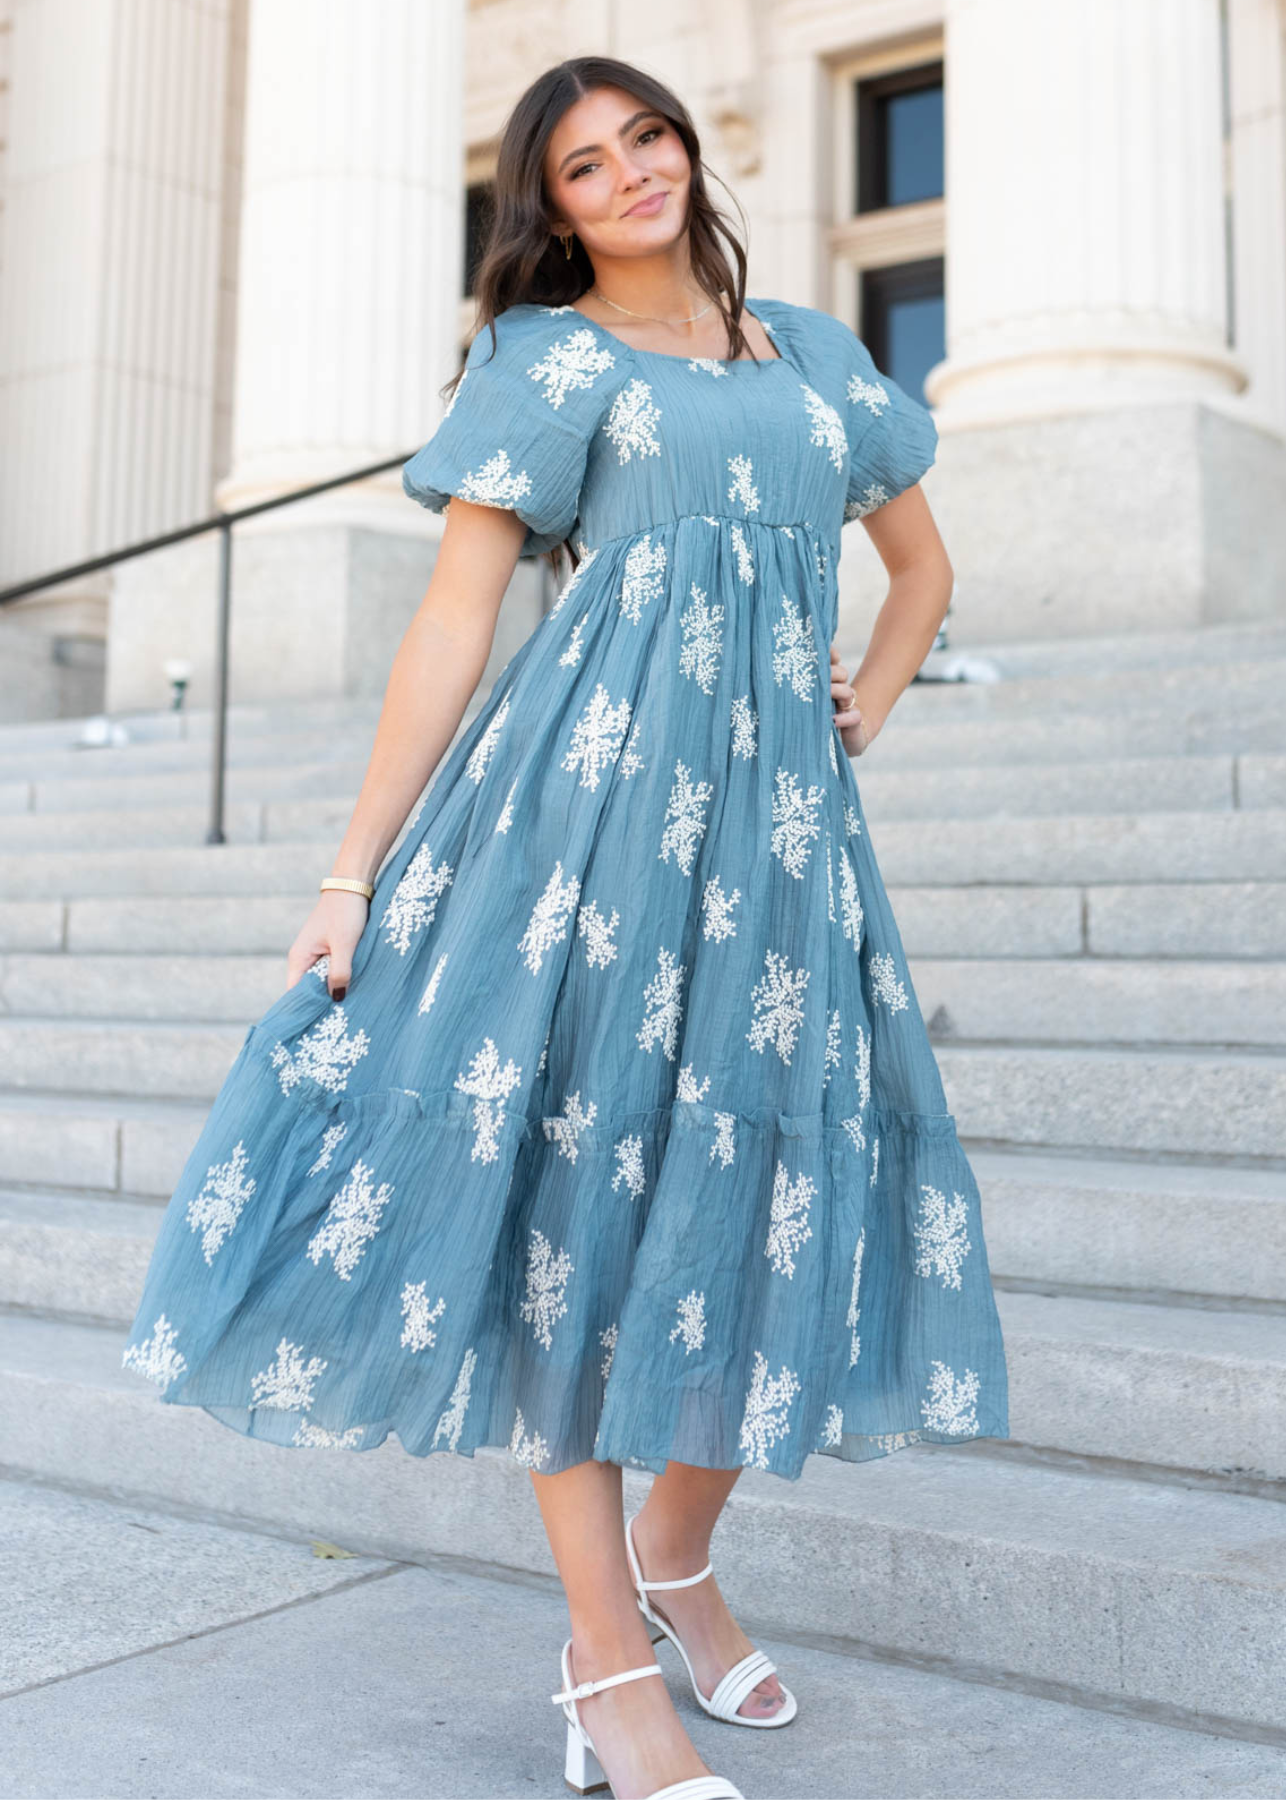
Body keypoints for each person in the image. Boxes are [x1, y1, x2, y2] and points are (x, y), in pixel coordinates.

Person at [120, 54, 1009, 1800]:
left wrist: (864, 709)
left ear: (688, 149)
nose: (629, 178)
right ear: (553, 210)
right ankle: (607, 1661)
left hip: (781, 856)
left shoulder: (818, 355)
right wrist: (350, 871)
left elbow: (923, 568)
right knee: (574, 1215)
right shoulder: (549, 364)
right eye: (585, 168)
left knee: (766, 1202)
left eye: (647, 140)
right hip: (584, 831)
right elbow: (454, 625)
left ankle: (677, 1564)